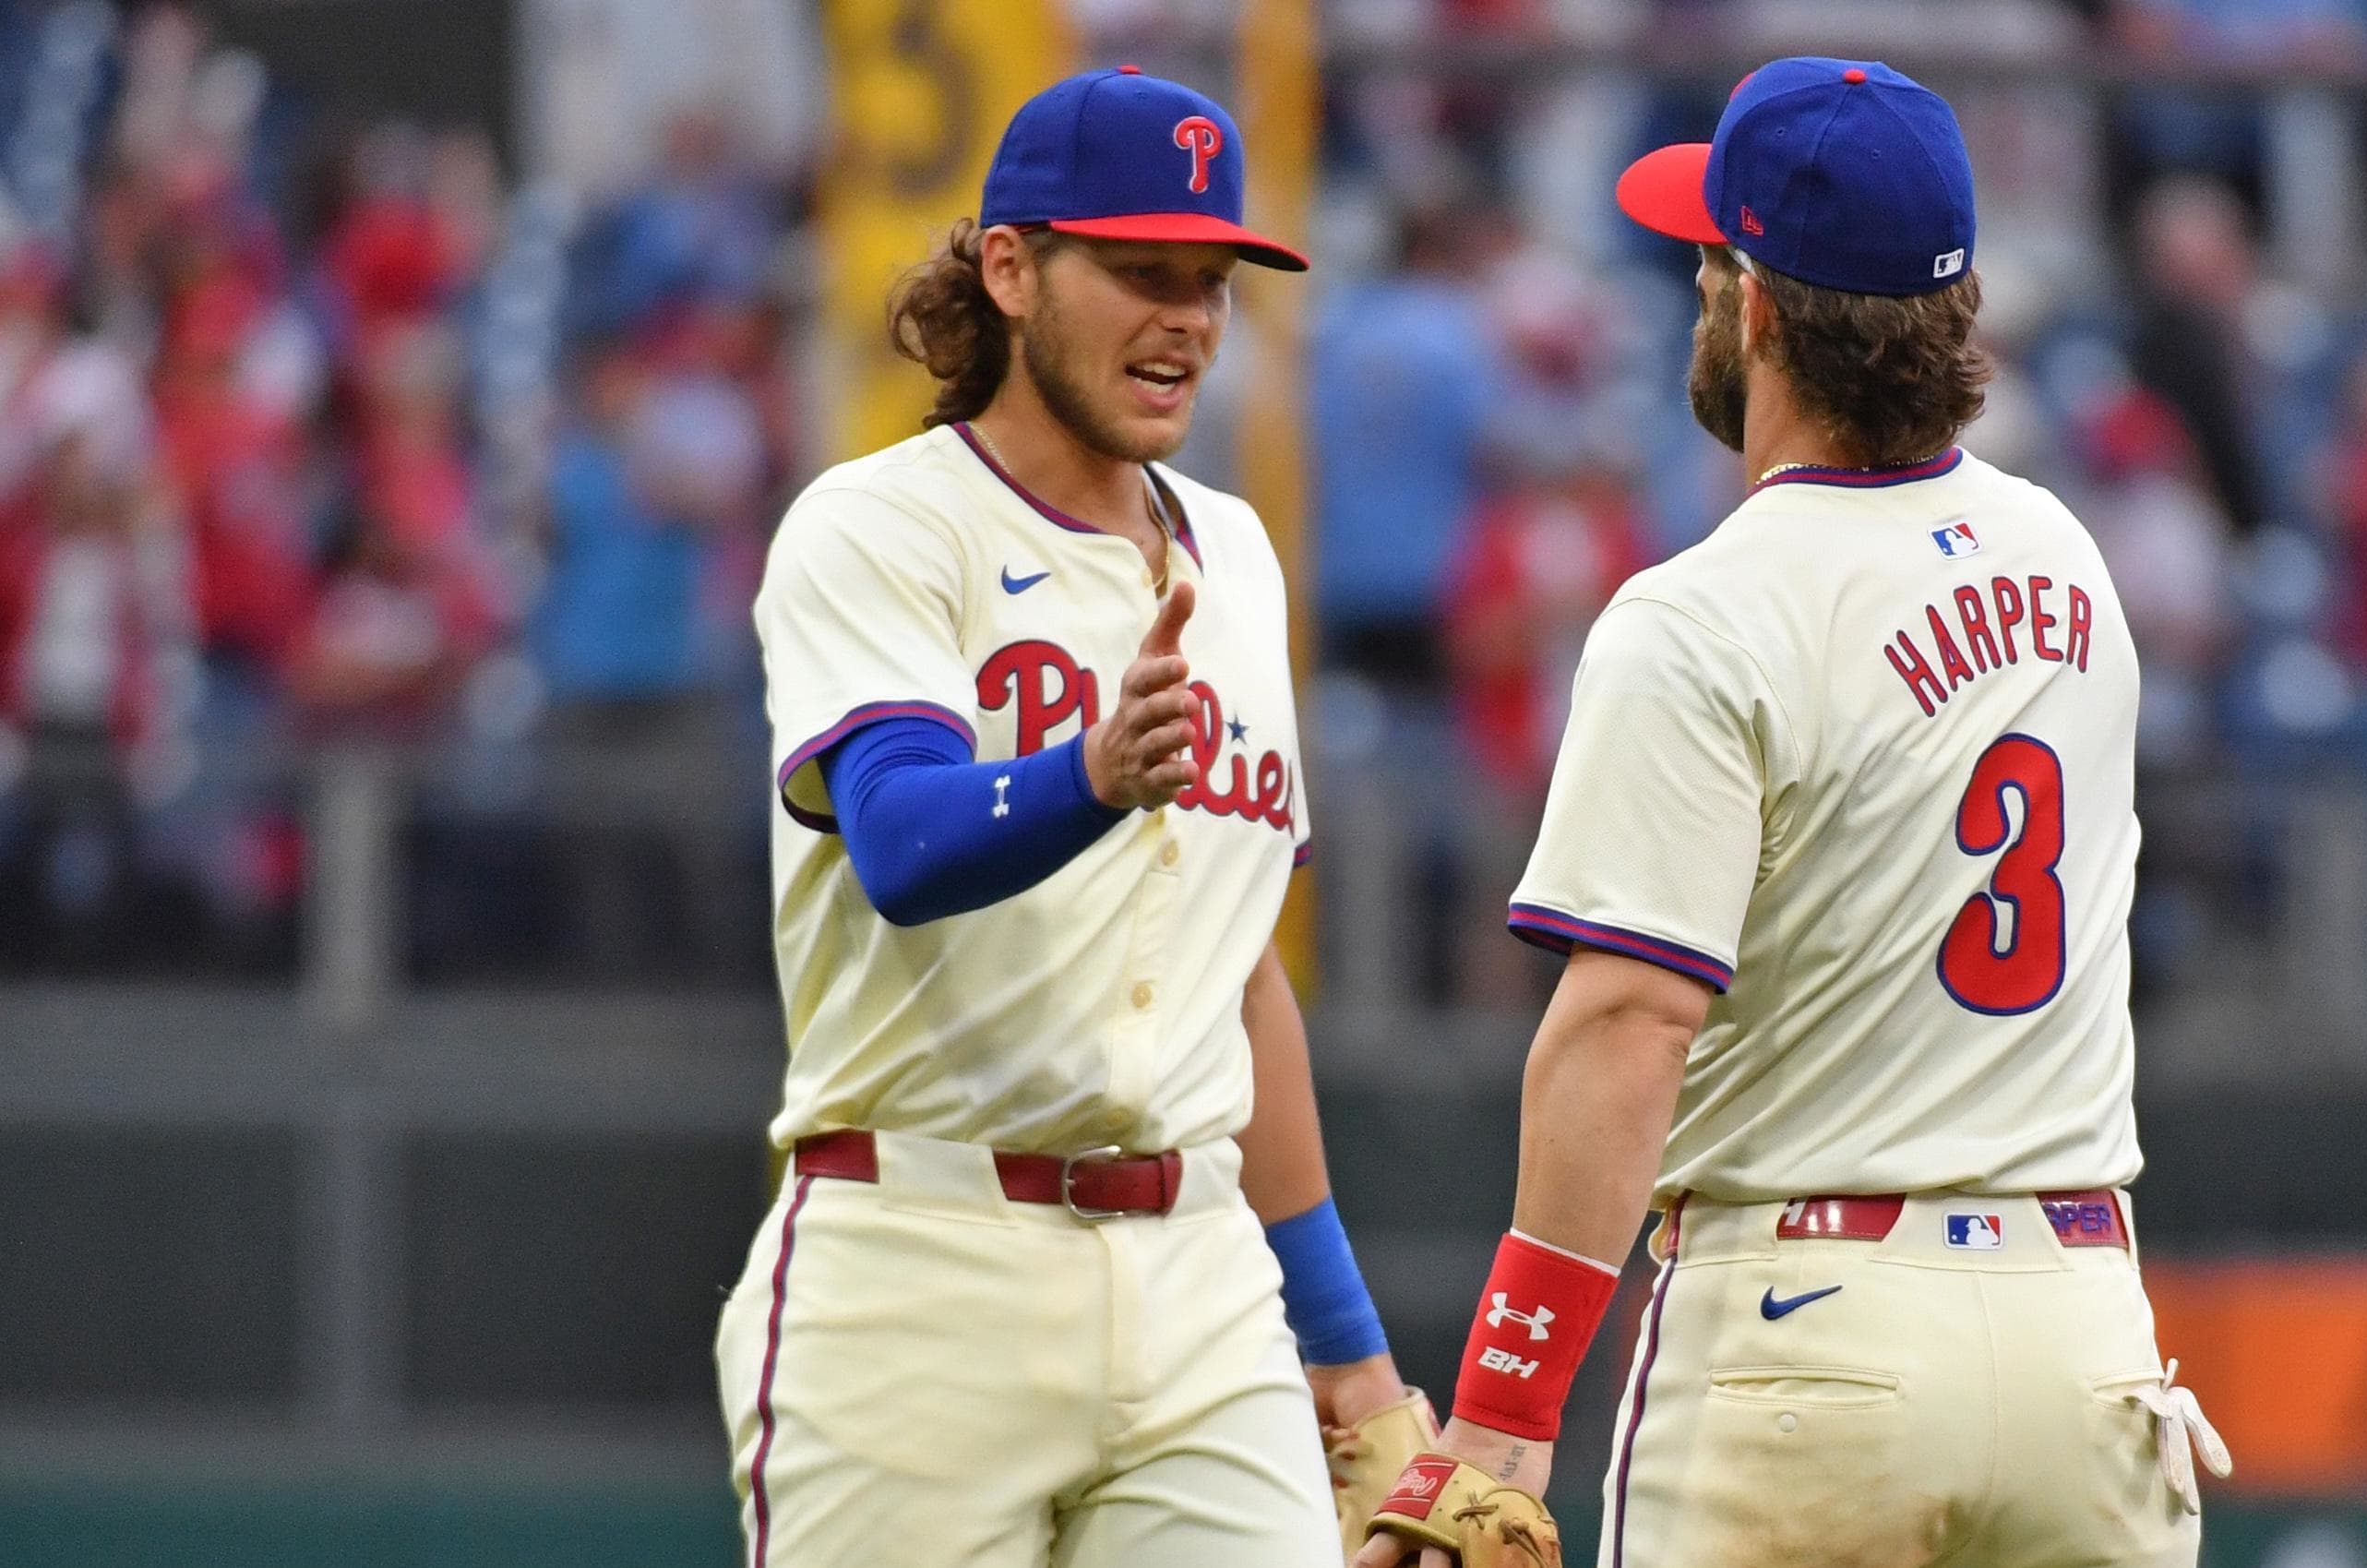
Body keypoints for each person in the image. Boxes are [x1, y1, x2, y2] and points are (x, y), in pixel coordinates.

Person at [1359, 57, 2226, 1568]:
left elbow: (1627, 1023)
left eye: (1710, 260)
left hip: (1807, 1329)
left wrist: (1500, 1412)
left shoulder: (1699, 613)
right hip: (2083, 1332)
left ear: (1754, 307)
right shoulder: (2067, 558)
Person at [718, 68, 1415, 1567]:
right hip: (918, 1256)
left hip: (1202, 1277)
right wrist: (1086, 776)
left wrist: (1346, 1346)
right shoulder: (882, 524)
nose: (1186, 320)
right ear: (1012, 267)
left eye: (1212, 282)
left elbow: (1239, 974)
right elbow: (900, 843)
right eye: (1141, 273)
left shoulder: (1234, 553)